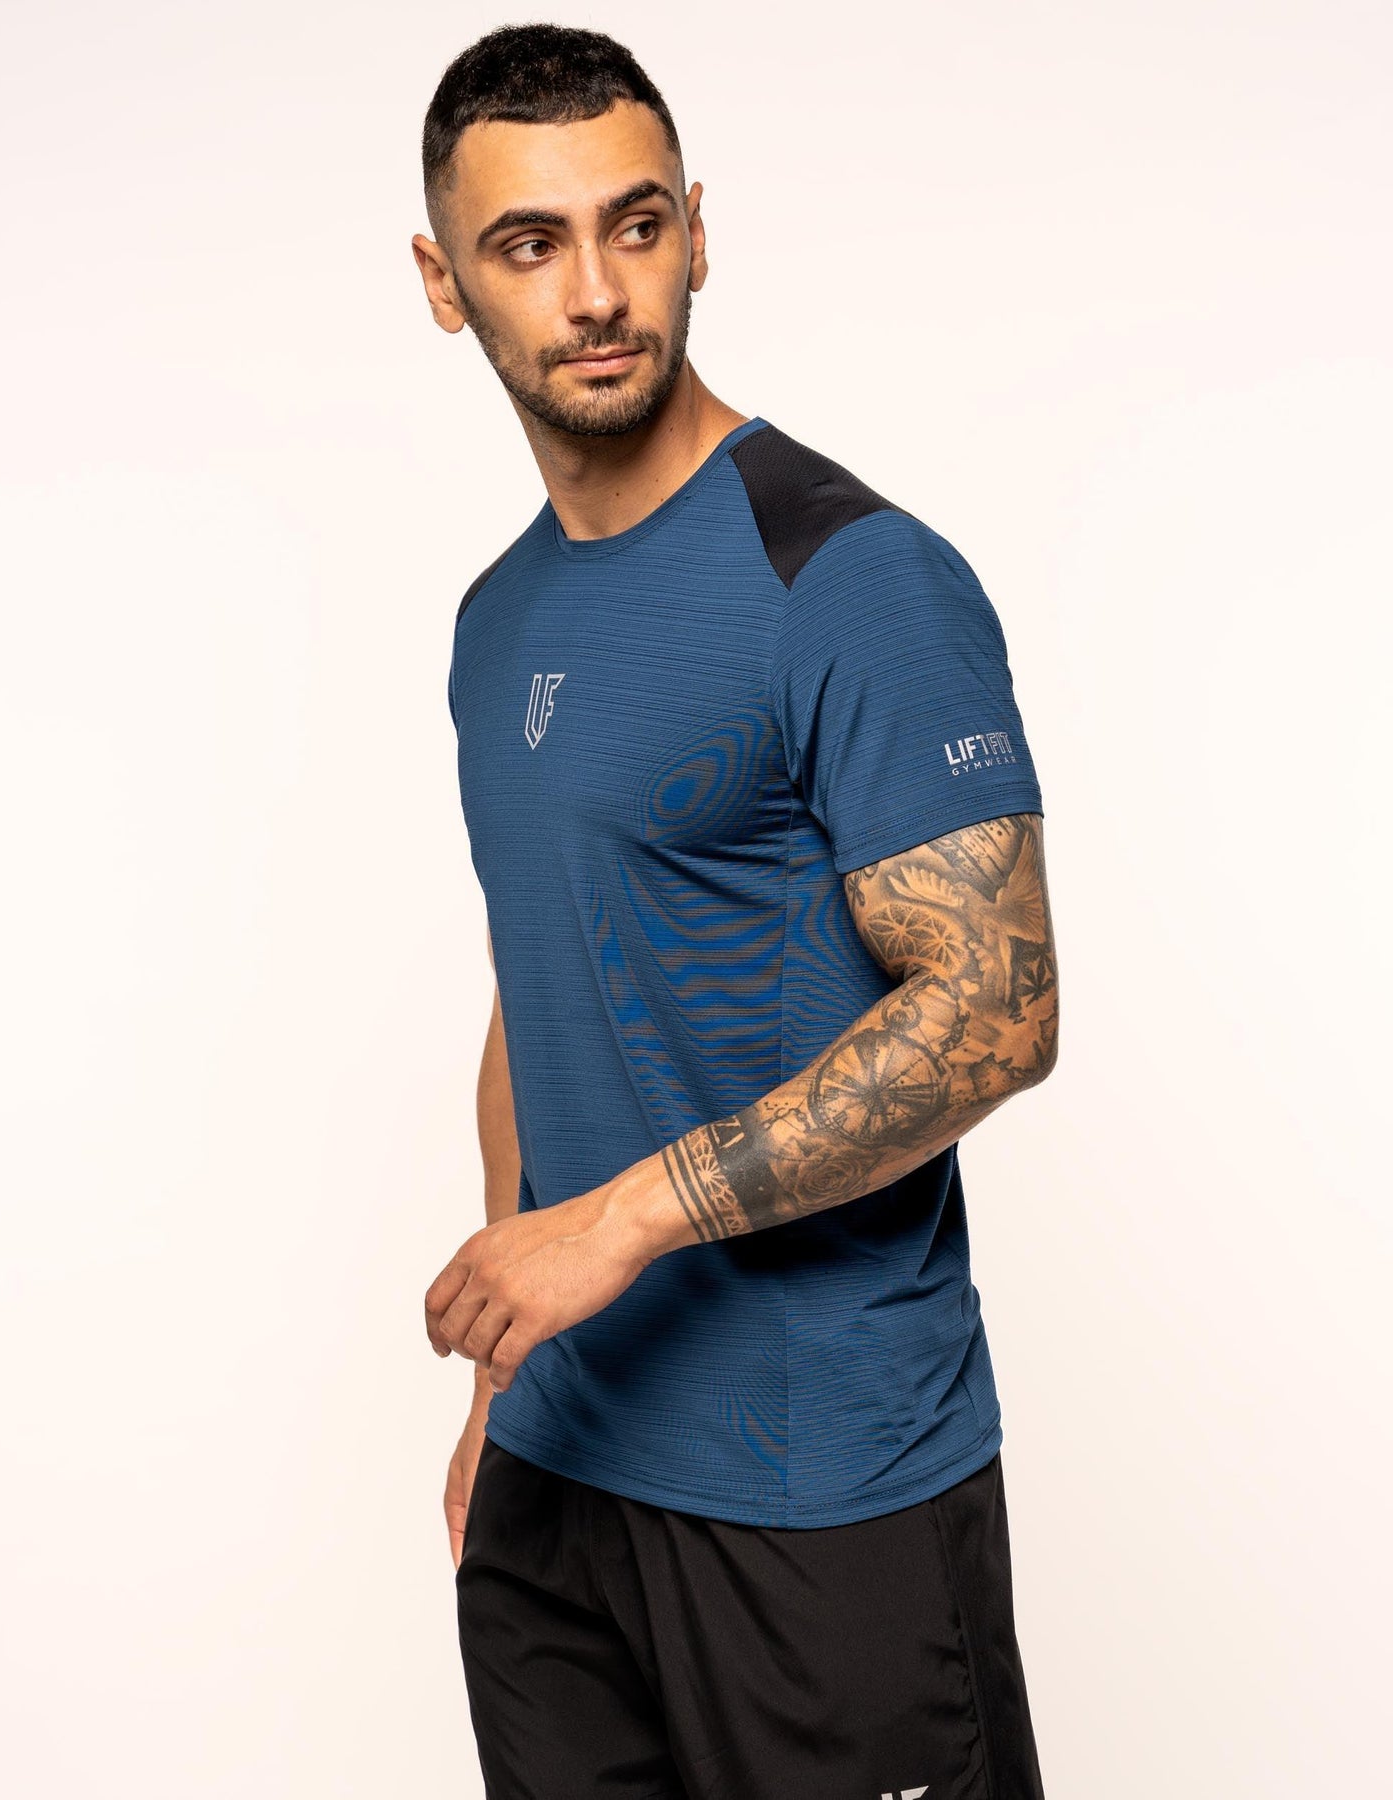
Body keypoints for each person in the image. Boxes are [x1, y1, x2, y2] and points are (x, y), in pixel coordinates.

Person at [412, 23, 1058, 1800]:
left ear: (697, 230)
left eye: (634, 226)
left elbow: (999, 1007)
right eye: (529, 244)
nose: (596, 291)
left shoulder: (851, 576)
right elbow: (541, 974)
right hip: (560, 1489)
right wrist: (501, 1387)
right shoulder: (496, 620)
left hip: (822, 1493)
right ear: (446, 285)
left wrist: (619, 1225)